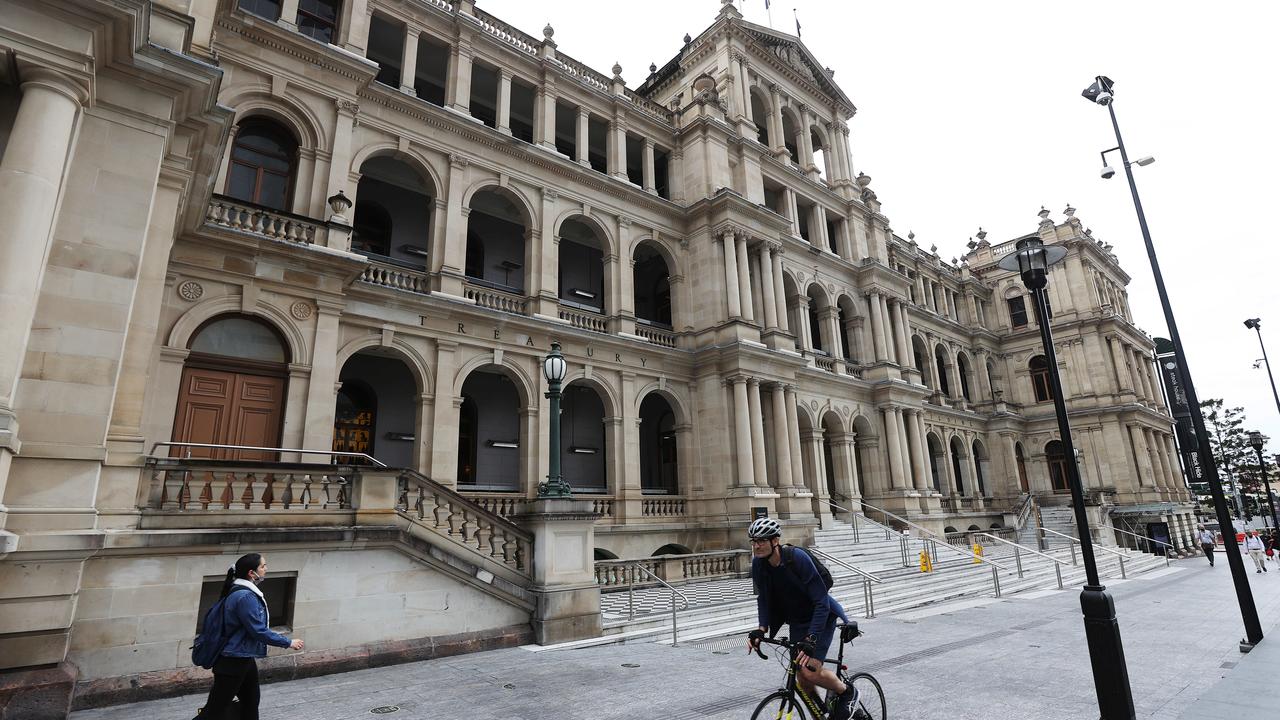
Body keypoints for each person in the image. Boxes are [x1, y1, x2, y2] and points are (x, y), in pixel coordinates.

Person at [745, 517, 860, 720]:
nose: (757, 545)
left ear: (775, 541)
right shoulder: (759, 565)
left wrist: (811, 638)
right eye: (754, 541)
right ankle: (821, 715)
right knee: (802, 677)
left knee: (810, 672)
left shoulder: (797, 558)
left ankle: (846, 692)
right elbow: (763, 598)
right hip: (797, 620)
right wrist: (761, 629)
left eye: (761, 540)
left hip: (821, 617)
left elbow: (822, 602)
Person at [196, 553, 303, 720]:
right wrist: (288, 642)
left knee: (250, 702)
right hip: (232, 660)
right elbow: (258, 631)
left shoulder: (241, 591)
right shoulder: (245, 596)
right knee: (215, 710)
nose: (266, 569)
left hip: (243, 657)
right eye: (263, 566)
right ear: (251, 573)